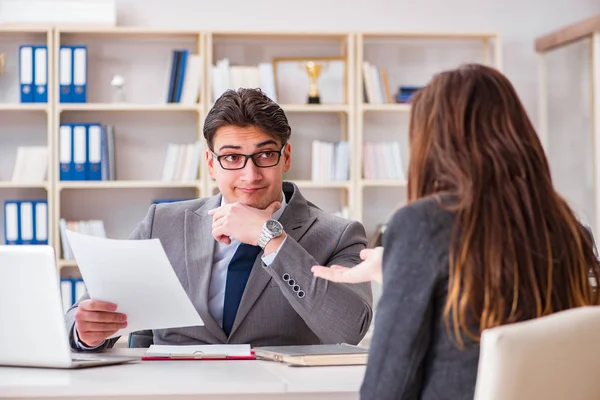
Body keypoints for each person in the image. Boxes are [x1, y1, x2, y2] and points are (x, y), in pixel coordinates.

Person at [312, 63, 600, 400]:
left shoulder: (423, 223)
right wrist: (398, 268)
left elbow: (386, 388)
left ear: (433, 143)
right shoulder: (570, 230)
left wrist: (409, 260)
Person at [66, 88, 373, 351]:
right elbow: (85, 309)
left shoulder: (338, 234)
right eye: (232, 157)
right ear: (211, 164)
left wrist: (272, 239)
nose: (250, 174)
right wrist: (85, 332)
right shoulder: (163, 223)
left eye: (265, 155)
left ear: (286, 157)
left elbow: (348, 329)